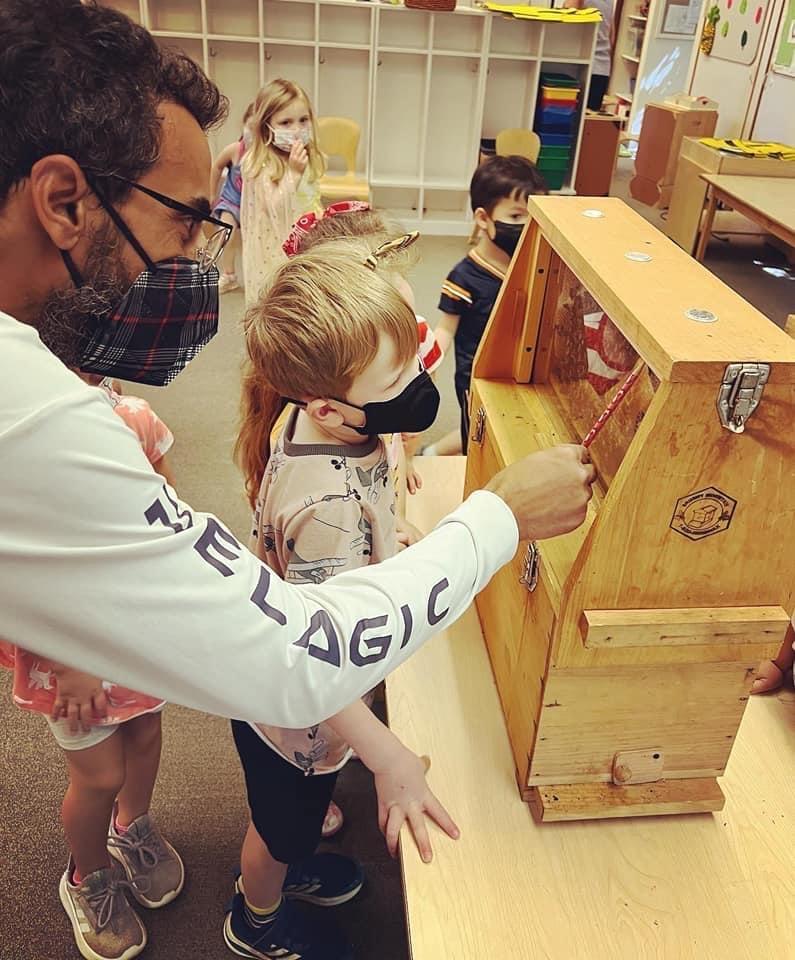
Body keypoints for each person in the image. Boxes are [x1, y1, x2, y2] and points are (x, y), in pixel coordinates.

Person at [0, 0, 594, 761]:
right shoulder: (42, 424)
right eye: (184, 223)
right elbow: (294, 659)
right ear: (62, 201)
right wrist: (502, 515)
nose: (194, 260)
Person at [226, 237, 457, 960]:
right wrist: (387, 755)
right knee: (280, 827)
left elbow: (372, 500)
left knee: (295, 819)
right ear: (331, 407)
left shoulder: (339, 425)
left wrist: (393, 539)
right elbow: (311, 661)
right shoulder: (323, 503)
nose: (418, 381)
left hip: (314, 703)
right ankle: (256, 917)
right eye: (399, 375)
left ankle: (286, 872)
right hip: (297, 719)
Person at [0, 379, 182, 960]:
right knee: (98, 775)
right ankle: (88, 876)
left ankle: (133, 829)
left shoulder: (134, 419)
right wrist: (71, 657)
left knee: (146, 733)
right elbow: (24, 568)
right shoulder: (24, 448)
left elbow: (169, 518)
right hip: (67, 650)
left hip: (134, 631)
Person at [283, 201, 444, 504]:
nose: (405, 337)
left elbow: (406, 431)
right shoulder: (326, 495)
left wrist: (405, 458)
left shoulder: (414, 339)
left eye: (405, 319)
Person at [430, 155, 547, 455]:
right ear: (484, 218)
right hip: (476, 378)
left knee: (505, 431)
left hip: (518, 368)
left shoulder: (533, 265)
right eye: (517, 217)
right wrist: (427, 364)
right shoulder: (464, 277)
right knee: (478, 438)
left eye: (534, 217)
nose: (527, 227)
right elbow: (446, 328)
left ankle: (434, 452)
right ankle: (435, 455)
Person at [240, 78, 324, 307]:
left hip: (307, 239)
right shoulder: (260, 163)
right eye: (286, 122)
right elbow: (273, 207)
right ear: (266, 125)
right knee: (281, 301)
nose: (297, 130)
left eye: (303, 120)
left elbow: (311, 196)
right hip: (275, 250)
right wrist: (294, 174)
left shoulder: (306, 155)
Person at [209, 103, 255, 294]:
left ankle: (254, 276)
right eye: (250, 127)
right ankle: (227, 275)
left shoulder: (266, 154)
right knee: (226, 234)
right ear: (244, 125)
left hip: (253, 205)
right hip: (231, 200)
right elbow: (216, 167)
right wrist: (212, 193)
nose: (253, 133)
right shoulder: (236, 149)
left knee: (252, 243)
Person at [564, 0, 614, 111]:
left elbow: (568, 19)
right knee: (588, 117)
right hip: (602, 66)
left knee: (570, 117)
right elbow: (611, 35)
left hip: (583, 65)